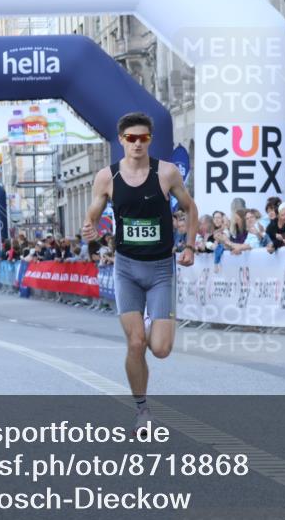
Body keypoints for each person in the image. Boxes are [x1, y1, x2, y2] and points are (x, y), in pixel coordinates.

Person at [82, 112, 198, 438]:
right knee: (135, 343)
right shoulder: (107, 177)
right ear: (121, 140)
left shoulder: (167, 173)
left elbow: (190, 208)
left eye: (143, 138)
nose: (136, 144)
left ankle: (152, 323)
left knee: (159, 349)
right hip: (127, 268)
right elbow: (95, 207)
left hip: (162, 268)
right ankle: (142, 409)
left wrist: (189, 246)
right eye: (130, 138)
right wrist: (90, 224)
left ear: (149, 139)